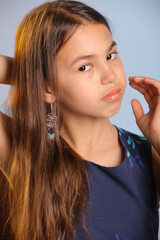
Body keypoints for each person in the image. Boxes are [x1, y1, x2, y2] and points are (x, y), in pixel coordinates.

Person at [0, 0, 160, 239]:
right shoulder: (19, 148)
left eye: (110, 55)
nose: (109, 75)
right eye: (85, 67)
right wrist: (32, 77)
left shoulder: (150, 153)